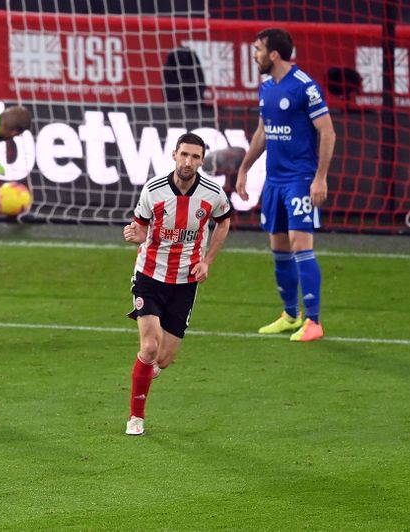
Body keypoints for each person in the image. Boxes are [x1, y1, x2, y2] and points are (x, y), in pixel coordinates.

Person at [122, 133, 232, 437]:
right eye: (184, 155)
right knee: (149, 346)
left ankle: (144, 373)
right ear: (174, 155)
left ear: (202, 160)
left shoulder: (212, 193)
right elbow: (141, 227)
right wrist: (136, 234)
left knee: (164, 359)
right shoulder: (153, 189)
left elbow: (224, 221)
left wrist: (208, 260)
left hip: (185, 281)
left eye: (195, 157)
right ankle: (136, 417)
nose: (188, 162)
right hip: (149, 276)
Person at [236, 28, 335, 342]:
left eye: (258, 49)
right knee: (278, 247)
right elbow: (263, 133)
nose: (255, 55)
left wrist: (319, 177)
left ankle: (314, 322)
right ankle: (291, 315)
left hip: (300, 180)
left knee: (299, 245)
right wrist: (244, 169)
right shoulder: (266, 87)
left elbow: (328, 132)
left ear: (273, 54)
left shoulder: (305, 87)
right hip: (274, 181)